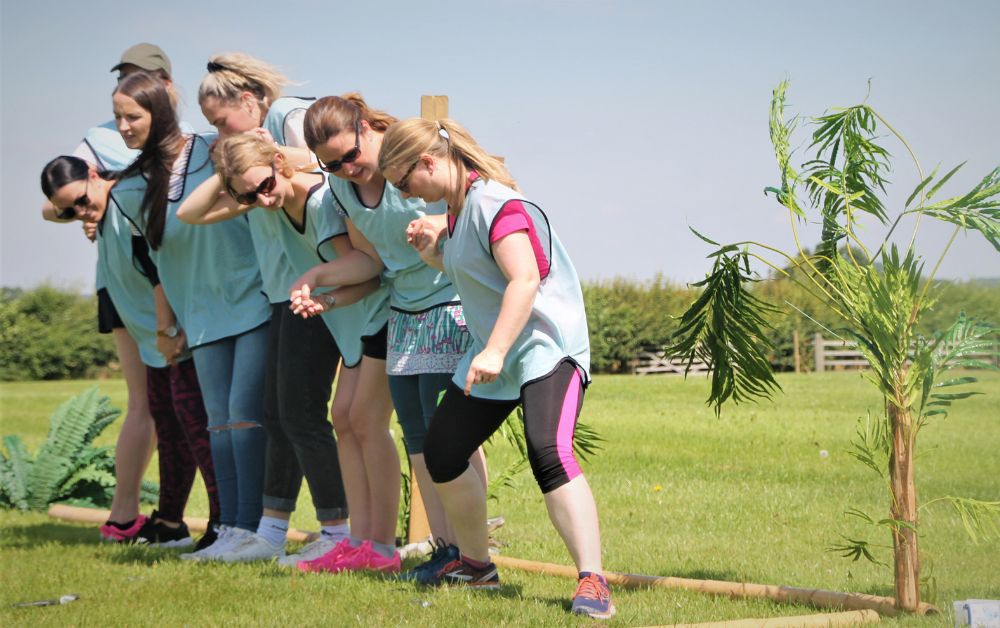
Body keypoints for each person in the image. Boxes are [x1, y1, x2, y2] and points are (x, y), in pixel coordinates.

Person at [376, 117, 615, 619]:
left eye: (403, 183)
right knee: (443, 452)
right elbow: (479, 274)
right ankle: (476, 566)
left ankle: (593, 581)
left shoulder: (495, 204)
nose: (406, 195)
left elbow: (524, 280)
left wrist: (495, 351)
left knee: (548, 452)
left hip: (547, 349)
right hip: (499, 352)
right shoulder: (459, 209)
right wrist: (434, 255)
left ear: (428, 162)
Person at [290, 94, 486, 579]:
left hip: (450, 303)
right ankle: (445, 549)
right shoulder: (343, 191)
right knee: (419, 438)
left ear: (365, 128)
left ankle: (474, 554)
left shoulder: (418, 152)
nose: (346, 169)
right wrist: (319, 278)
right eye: (331, 165)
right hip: (404, 313)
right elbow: (370, 262)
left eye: (350, 156)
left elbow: (485, 200)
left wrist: (441, 222)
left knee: (450, 437)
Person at [176, 131, 386, 565]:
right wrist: (230, 168)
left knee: (306, 416)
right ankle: (278, 532)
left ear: (278, 163)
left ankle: (339, 532)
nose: (262, 199)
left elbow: (367, 266)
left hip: (342, 311)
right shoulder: (263, 196)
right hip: (307, 303)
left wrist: (316, 281)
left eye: (265, 185)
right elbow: (188, 212)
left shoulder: (319, 201)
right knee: (279, 414)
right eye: (247, 195)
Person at [39, 43, 200, 545]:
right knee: (153, 405)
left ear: (165, 87)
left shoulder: (186, 143)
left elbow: (160, 253)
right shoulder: (101, 141)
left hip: (172, 292)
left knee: (186, 412)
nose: (126, 120)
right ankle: (138, 515)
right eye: (122, 80)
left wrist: (106, 200)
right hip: (124, 288)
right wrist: (88, 209)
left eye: (140, 81)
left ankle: (211, 521)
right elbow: (55, 198)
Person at [109, 71, 271, 558]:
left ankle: (258, 530)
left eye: (132, 115)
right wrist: (167, 324)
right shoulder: (127, 190)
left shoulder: (213, 149)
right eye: (117, 117)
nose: (123, 126)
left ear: (159, 111)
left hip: (253, 300)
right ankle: (230, 530)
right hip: (199, 320)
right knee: (217, 425)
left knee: (243, 419)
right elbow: (154, 262)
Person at [41, 155, 219, 548]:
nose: (81, 212)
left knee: (199, 430)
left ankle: (225, 524)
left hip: (178, 334)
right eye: (70, 211)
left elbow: (159, 269)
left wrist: (168, 330)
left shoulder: (126, 203)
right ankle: (170, 523)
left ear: (93, 174)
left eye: (82, 201)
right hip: (156, 342)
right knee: (170, 430)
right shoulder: (104, 210)